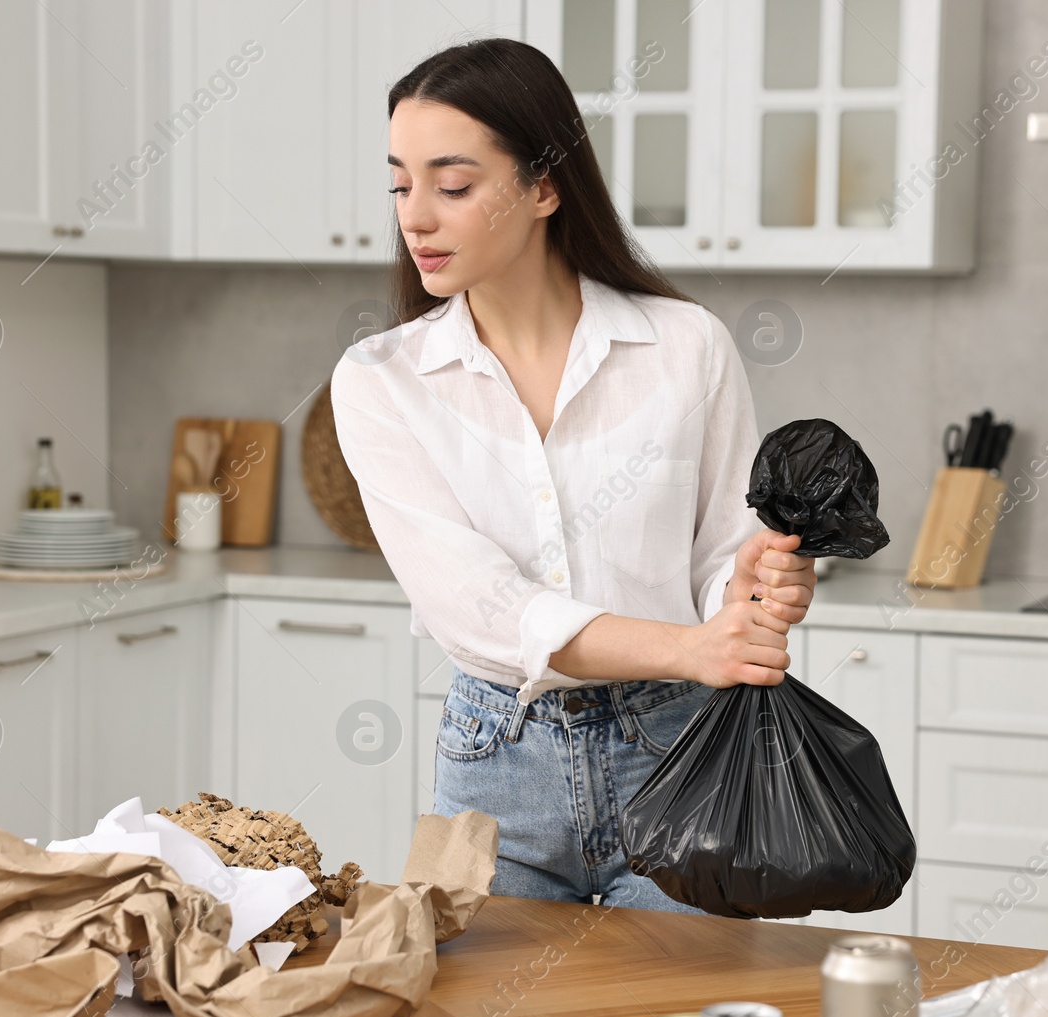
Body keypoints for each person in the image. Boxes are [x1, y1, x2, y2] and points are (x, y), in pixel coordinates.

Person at [331, 38, 816, 913]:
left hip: (680, 755)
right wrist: (695, 647)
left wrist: (748, 593)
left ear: (545, 187)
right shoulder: (378, 381)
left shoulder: (685, 345)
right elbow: (477, 608)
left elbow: (721, 557)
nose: (416, 218)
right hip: (495, 770)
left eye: (453, 184)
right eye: (401, 184)